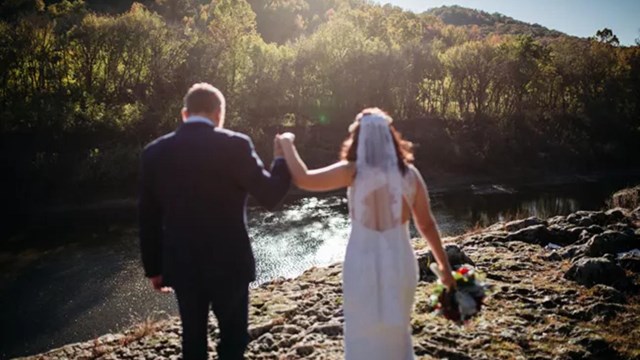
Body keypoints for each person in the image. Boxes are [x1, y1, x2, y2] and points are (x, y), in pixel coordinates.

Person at [277, 108, 456, 360]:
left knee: (361, 333)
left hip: (360, 265)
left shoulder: (352, 171)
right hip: (400, 263)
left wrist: (286, 144)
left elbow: (304, 179)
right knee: (398, 332)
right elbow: (426, 225)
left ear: (358, 140)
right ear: (390, 137)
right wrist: (446, 270)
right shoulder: (409, 175)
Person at [138, 83, 291, 360]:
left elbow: (148, 216)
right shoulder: (235, 145)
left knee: (192, 338)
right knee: (234, 337)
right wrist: (281, 159)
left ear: (185, 114)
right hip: (230, 263)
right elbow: (270, 195)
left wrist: (154, 268)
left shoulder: (154, 152)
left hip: (182, 264)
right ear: (219, 113)